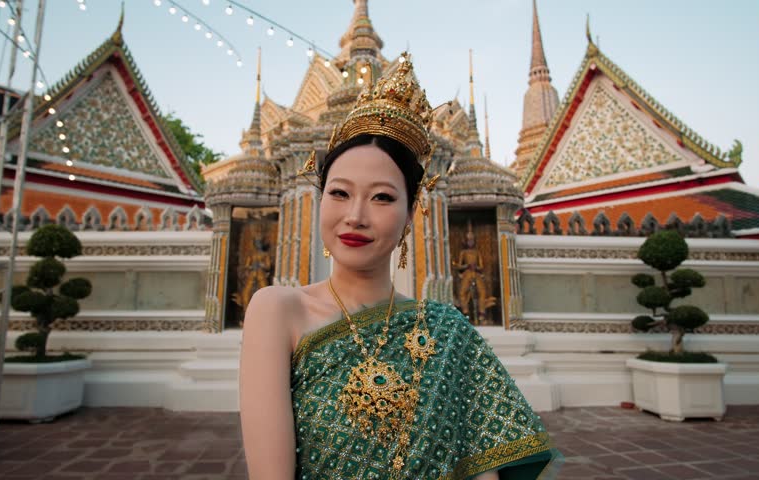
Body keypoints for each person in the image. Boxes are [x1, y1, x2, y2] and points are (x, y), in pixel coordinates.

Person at [239, 53, 560, 479]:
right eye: (338, 193)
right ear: (319, 201)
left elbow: (485, 469)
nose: (355, 214)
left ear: (411, 215)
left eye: (382, 197)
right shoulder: (277, 310)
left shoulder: (446, 330)